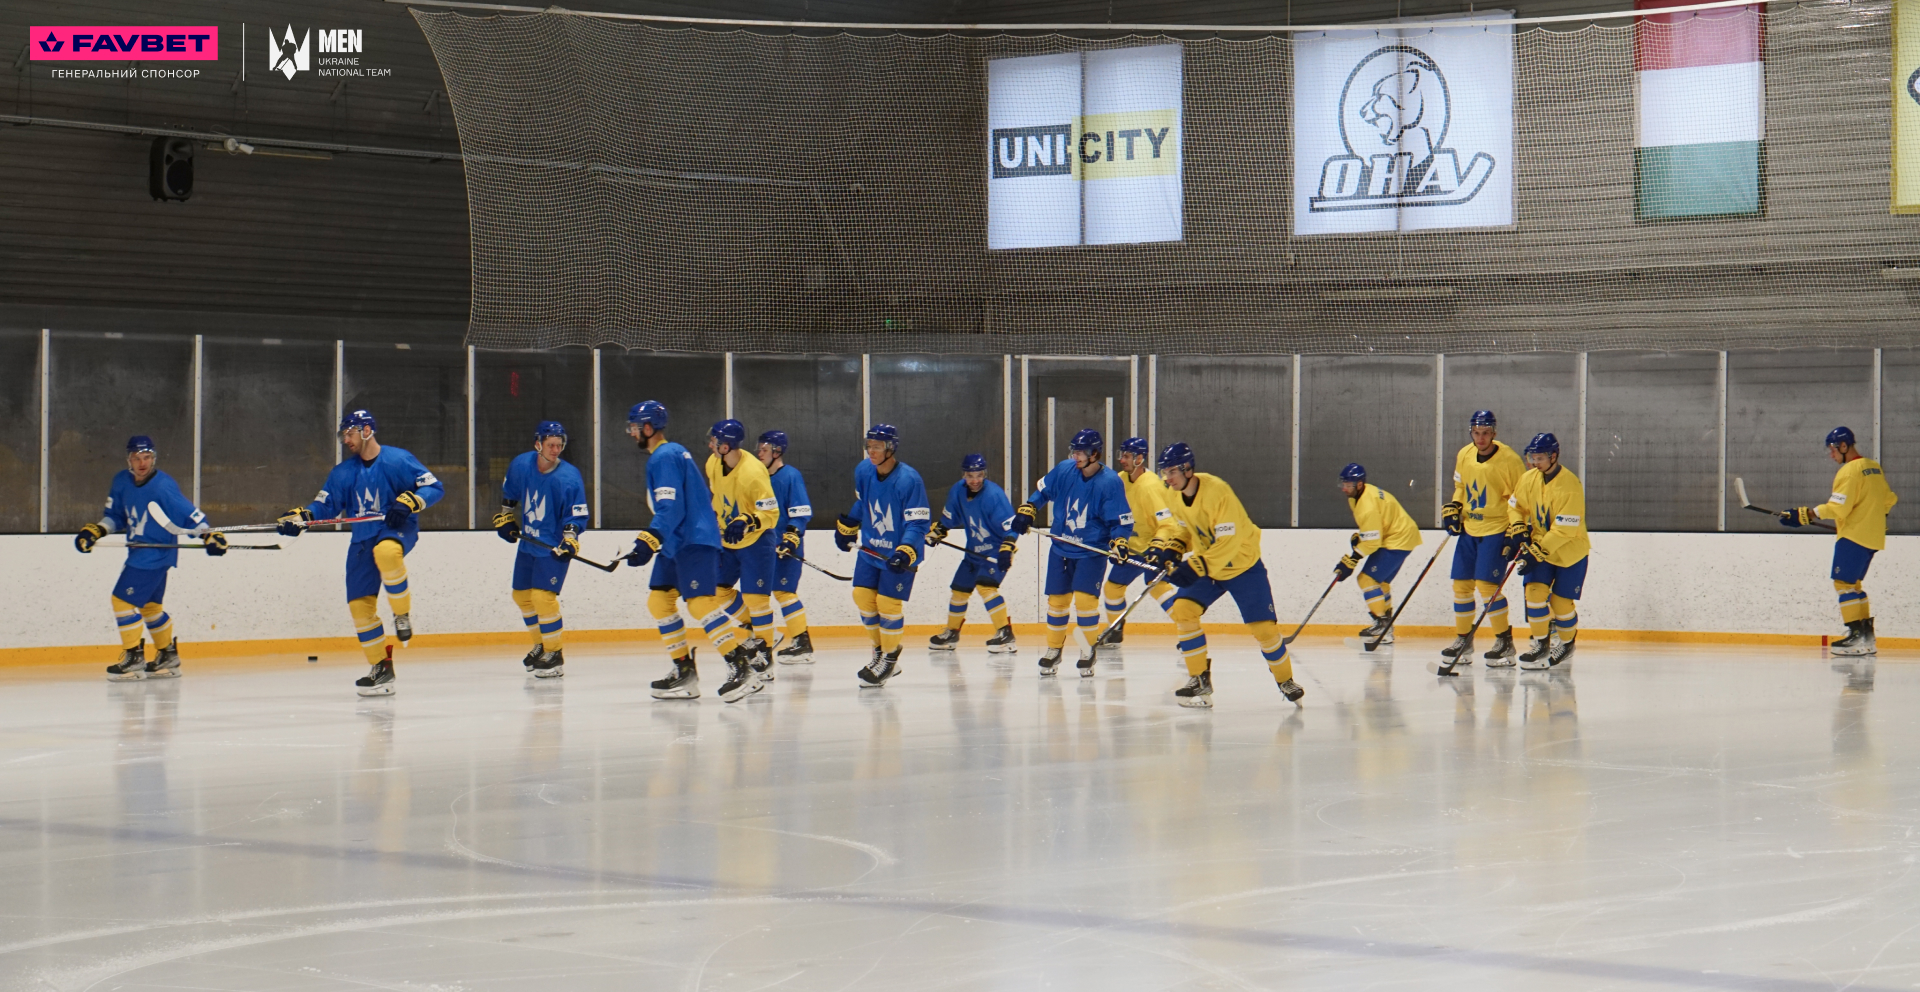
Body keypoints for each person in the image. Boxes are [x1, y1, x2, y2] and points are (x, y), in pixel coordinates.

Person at [278, 410, 443, 696]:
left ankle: (401, 614)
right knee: (359, 607)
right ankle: (381, 667)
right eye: (343, 434)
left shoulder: (398, 459)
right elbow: (325, 506)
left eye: (350, 432)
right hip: (362, 538)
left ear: (367, 430)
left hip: (396, 527)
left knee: (387, 553)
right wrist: (301, 517)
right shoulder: (343, 473)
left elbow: (434, 487)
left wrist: (412, 501)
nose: (346, 439)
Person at [624, 401, 760, 703]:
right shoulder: (669, 454)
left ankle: (742, 667)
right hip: (677, 542)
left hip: (693, 540)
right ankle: (684, 671)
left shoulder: (664, 457)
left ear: (648, 428)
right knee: (659, 601)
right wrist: (656, 539)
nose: (632, 433)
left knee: (700, 604)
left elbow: (670, 506)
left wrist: (648, 539)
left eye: (635, 427)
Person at [1153, 442, 1302, 708]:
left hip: (1242, 565)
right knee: (1184, 610)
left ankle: (1285, 680)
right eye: (1164, 472)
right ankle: (1198, 679)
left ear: (1188, 469)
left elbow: (1228, 542)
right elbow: (1186, 529)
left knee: (1264, 630)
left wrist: (1195, 567)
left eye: (1172, 471)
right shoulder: (1173, 496)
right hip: (1210, 566)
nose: (1167, 477)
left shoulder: (1218, 492)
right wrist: (1173, 549)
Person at [76, 435, 226, 681]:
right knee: (150, 607)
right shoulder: (121, 482)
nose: (142, 463)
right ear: (129, 460)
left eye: (146, 457)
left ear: (153, 458)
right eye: (137, 458)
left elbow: (191, 516)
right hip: (140, 551)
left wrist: (209, 535)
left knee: (121, 601)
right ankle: (167, 656)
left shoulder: (163, 486)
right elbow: (116, 516)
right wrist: (97, 530)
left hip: (154, 553)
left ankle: (133, 658)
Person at [1011, 428, 1133, 677]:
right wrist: (1029, 508)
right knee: (1057, 603)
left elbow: (1119, 520)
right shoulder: (1064, 469)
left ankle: (1087, 650)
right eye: (1074, 451)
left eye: (1082, 452)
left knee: (1086, 603)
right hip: (1061, 546)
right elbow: (1043, 492)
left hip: (1090, 552)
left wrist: (1119, 541)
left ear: (1095, 453)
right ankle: (1053, 650)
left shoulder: (1110, 482)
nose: (1076, 456)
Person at [1780, 426, 1898, 656]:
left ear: (1844, 446)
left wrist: (1805, 514)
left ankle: (1855, 637)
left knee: (1843, 584)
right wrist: (1871, 519)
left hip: (1853, 536)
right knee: (1853, 585)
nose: (1831, 454)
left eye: (1833, 449)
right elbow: (1888, 500)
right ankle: (1866, 637)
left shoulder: (1849, 471)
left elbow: (1839, 508)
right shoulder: (1873, 467)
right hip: (1873, 537)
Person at [833, 423, 930, 687]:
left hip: (898, 556)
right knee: (862, 596)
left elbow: (918, 523)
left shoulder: (909, 480)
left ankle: (890, 658)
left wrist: (905, 550)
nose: (871, 451)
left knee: (888, 604)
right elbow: (863, 503)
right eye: (869, 446)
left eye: (876, 447)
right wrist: (848, 526)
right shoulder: (864, 471)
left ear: (890, 448)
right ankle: (879, 652)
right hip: (870, 550)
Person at [493, 420, 588, 679]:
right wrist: (505, 518)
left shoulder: (568, 477)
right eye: (551, 445)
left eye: (559, 445)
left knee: (543, 598)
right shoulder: (521, 465)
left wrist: (570, 539)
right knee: (521, 596)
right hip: (528, 543)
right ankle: (541, 646)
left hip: (553, 547)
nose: (556, 450)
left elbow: (576, 513)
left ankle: (554, 653)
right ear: (538, 444)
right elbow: (509, 495)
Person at [1440, 410, 1525, 665]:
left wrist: (1516, 529)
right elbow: (1461, 487)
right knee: (1461, 586)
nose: (1481, 437)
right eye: (1476, 432)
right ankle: (1463, 641)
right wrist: (1454, 507)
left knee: (1487, 587)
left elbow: (1520, 498)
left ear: (1494, 433)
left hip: (1496, 528)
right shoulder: (1464, 454)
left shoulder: (1509, 459)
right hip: (1469, 528)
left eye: (1485, 432)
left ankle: (1504, 642)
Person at [1505, 432, 1589, 670]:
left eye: (1539, 457)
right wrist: (1518, 526)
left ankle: (1566, 643)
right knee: (1533, 593)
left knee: (1561, 604)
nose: (1534, 462)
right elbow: (1514, 505)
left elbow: (1564, 530)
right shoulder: (1529, 478)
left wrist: (1536, 552)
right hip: (1540, 547)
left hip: (1570, 551)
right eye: (1532, 457)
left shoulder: (1570, 484)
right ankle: (1540, 643)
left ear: (1554, 456)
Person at [705, 419, 780, 682]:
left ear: (726, 446)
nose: (710, 444)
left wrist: (748, 520)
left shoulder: (754, 473)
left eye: (714, 441)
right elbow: (718, 497)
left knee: (756, 600)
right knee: (716, 590)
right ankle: (760, 629)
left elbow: (772, 513)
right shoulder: (712, 463)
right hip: (727, 542)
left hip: (756, 542)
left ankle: (766, 654)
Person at [928, 453, 1019, 653]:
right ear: (964, 476)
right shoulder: (957, 491)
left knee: (986, 587)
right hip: (973, 552)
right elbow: (950, 518)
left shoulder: (994, 495)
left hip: (997, 549)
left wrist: (1008, 547)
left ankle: (1005, 633)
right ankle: (952, 632)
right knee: (959, 590)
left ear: (984, 474)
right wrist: (939, 531)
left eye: (979, 475)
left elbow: (1011, 528)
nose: (975, 480)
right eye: (970, 476)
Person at [1101, 436, 1179, 650]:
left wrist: (1158, 546)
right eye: (1121, 455)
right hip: (1132, 546)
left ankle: (1188, 631)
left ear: (1140, 458)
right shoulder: (1120, 480)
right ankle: (1115, 630)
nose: (1122, 460)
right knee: (1113, 589)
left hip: (1155, 547)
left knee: (1157, 587)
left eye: (1126, 456)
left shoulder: (1151, 486)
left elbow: (1168, 523)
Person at [1336, 462, 1424, 645]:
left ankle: (1381, 624)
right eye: (1343, 484)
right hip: (1400, 536)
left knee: (1366, 580)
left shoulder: (1366, 504)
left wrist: (1352, 560)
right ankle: (1386, 629)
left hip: (1397, 539)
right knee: (1380, 582)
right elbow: (1374, 529)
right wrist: (1361, 538)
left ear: (1359, 484)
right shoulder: (1359, 495)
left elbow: (1373, 543)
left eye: (1348, 485)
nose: (1344, 489)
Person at [758, 430, 816, 663]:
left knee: (784, 592)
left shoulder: (790, 475)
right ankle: (766, 635)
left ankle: (802, 643)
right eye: (759, 448)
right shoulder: (759, 476)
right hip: (764, 547)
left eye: (764, 449)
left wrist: (791, 538)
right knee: (762, 594)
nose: (759, 452)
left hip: (786, 547)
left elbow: (801, 511)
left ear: (777, 451)